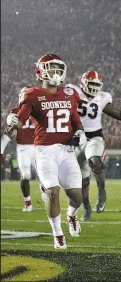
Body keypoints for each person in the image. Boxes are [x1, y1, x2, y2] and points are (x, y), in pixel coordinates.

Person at [40, 70, 121, 221]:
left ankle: (102, 191)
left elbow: (117, 114)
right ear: (83, 83)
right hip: (75, 139)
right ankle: (87, 208)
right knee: (81, 180)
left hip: (94, 136)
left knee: (95, 161)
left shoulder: (103, 97)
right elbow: (56, 96)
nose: (94, 88)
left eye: (97, 85)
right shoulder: (73, 91)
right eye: (91, 84)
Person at [6, 54, 88, 249]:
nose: (56, 72)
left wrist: (81, 133)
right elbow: (20, 119)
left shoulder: (70, 94)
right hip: (44, 150)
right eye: (51, 68)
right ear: (40, 71)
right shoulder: (32, 94)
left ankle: (71, 215)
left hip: (67, 151)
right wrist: (13, 122)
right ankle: (57, 233)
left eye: (59, 69)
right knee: (53, 192)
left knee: (77, 196)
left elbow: (76, 120)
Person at [3, 101, 38, 212]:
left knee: (44, 174)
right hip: (23, 147)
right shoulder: (15, 111)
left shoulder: (39, 107)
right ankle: (28, 202)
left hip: (39, 145)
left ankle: (47, 198)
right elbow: (10, 131)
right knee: (25, 175)